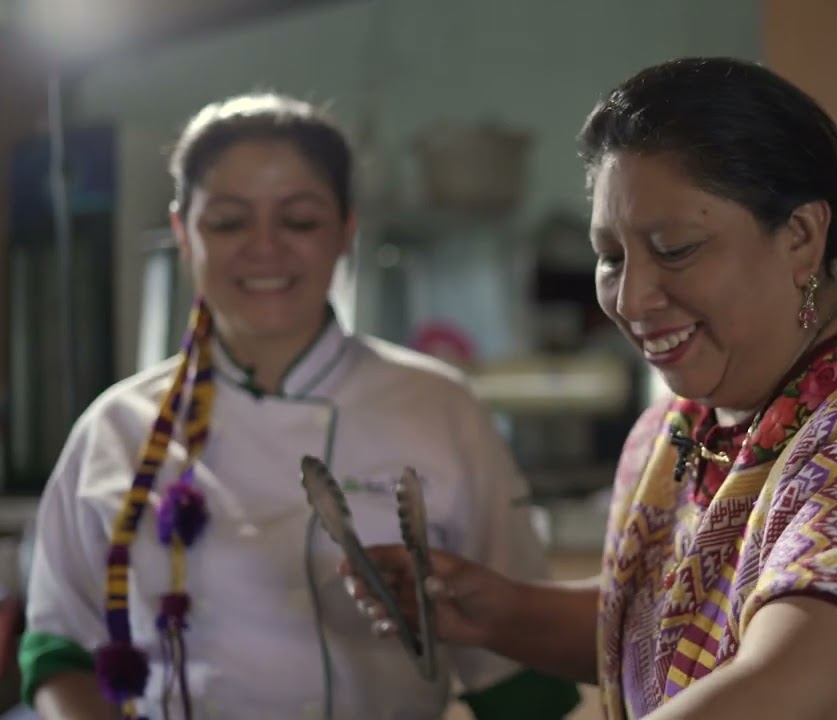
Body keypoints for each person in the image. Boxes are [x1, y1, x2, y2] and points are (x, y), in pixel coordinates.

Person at [344, 57, 837, 719]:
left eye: (674, 249)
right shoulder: (681, 428)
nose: (633, 297)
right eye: (611, 257)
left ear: (802, 237)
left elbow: (788, 687)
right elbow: (678, 627)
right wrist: (500, 609)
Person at [18, 92, 580, 720]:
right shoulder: (115, 429)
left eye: (300, 220)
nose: (265, 247)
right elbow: (60, 649)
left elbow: (519, 672)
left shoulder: (438, 407)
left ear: (346, 230)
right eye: (229, 221)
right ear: (183, 233)